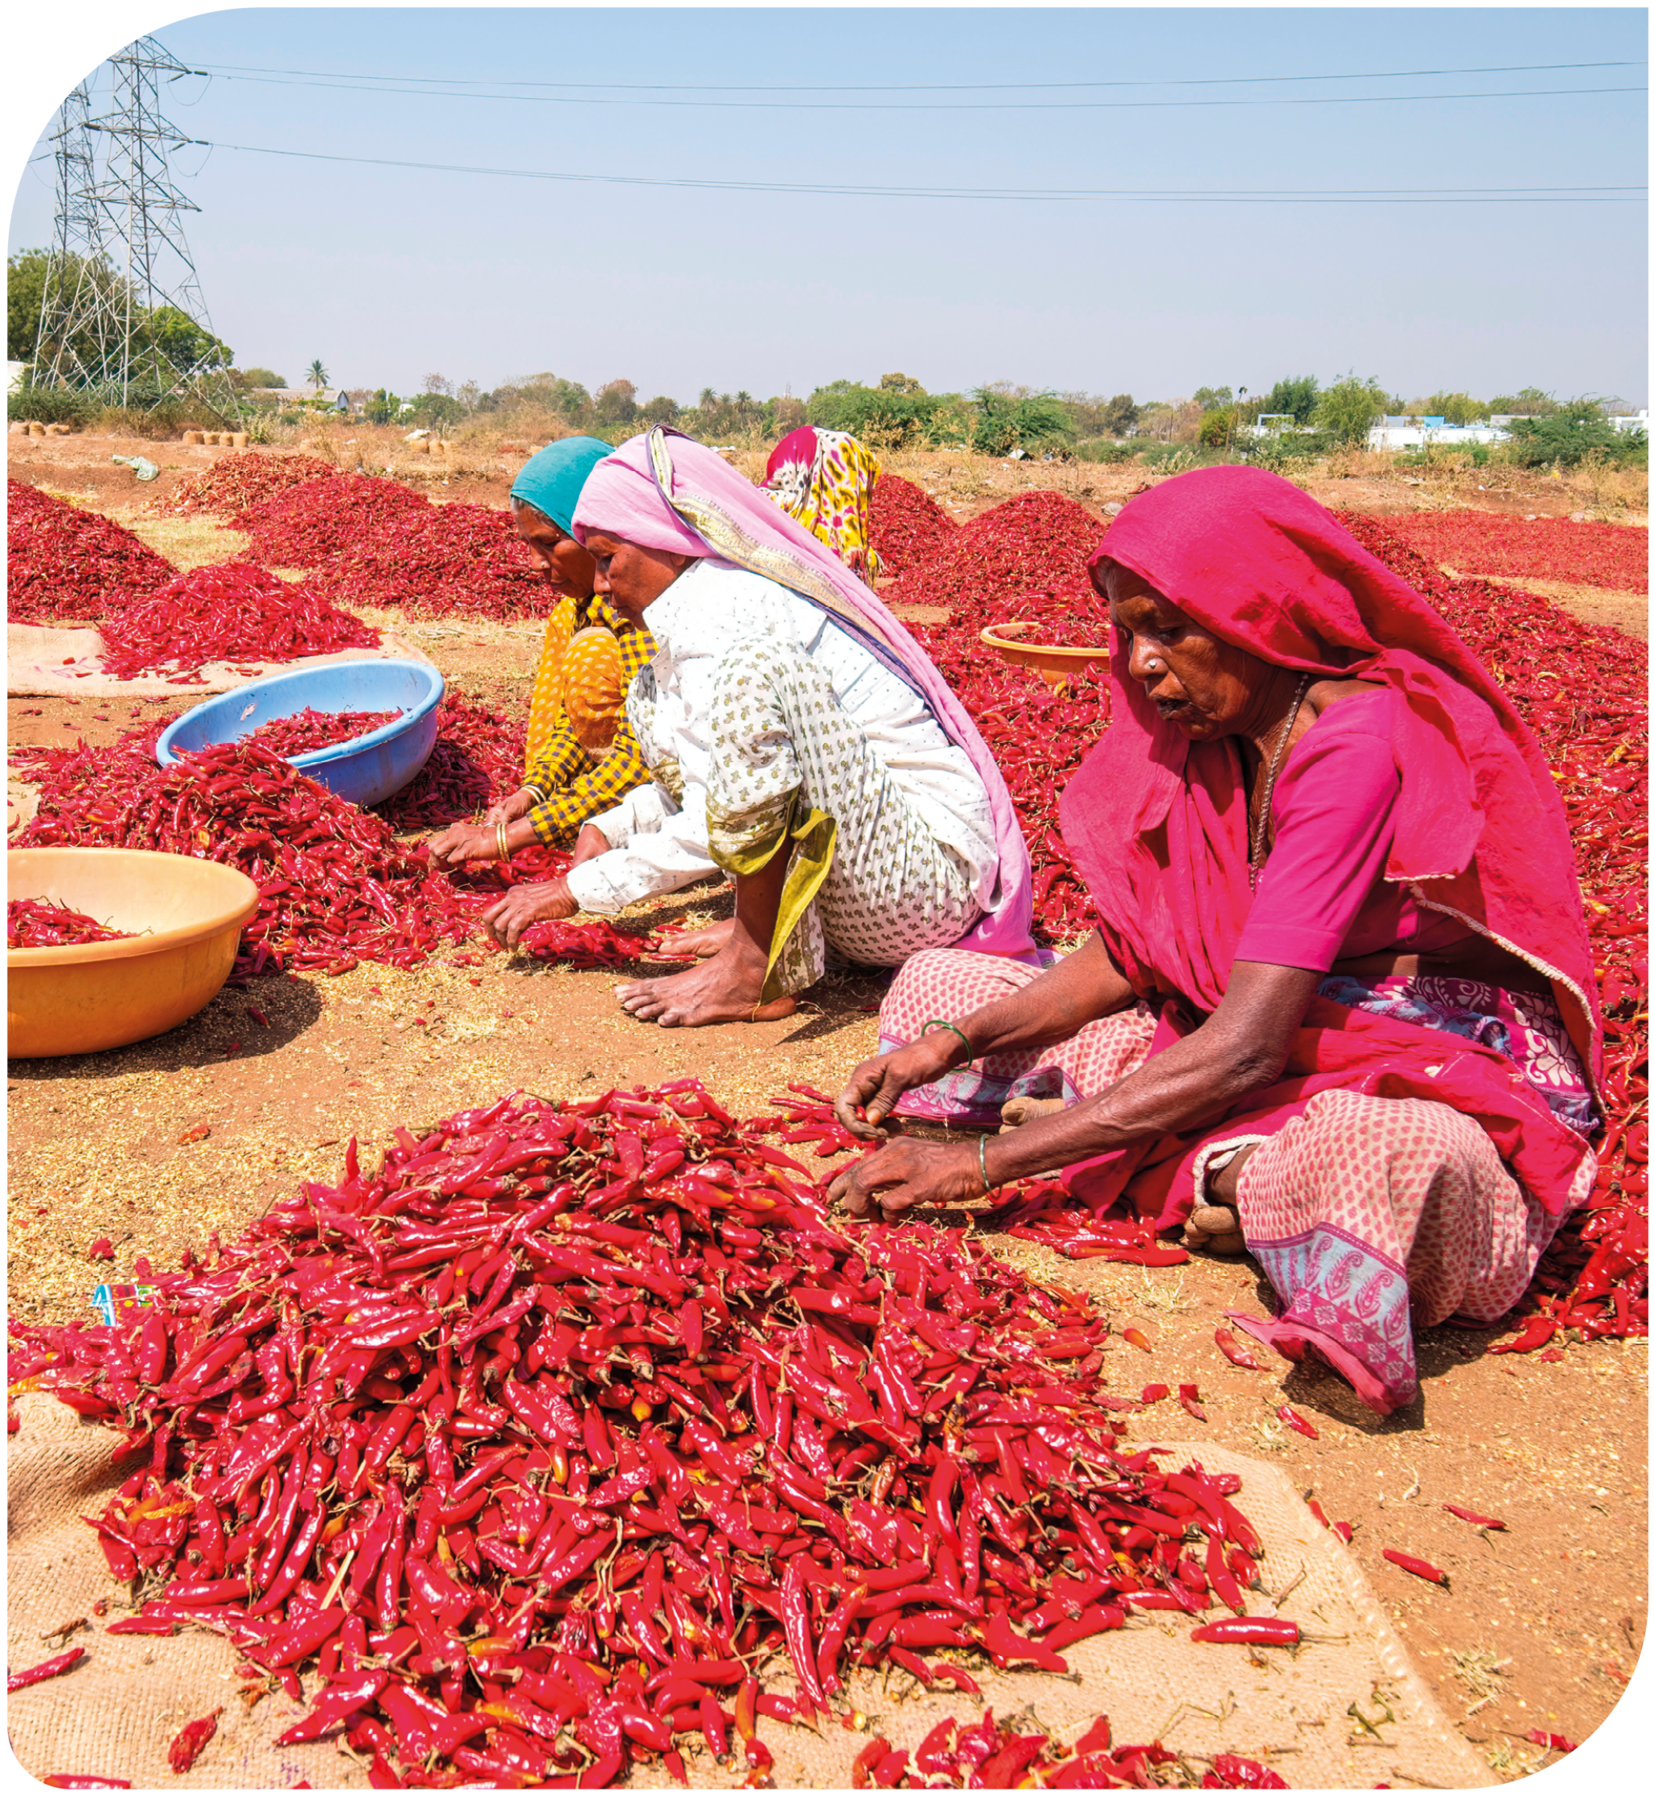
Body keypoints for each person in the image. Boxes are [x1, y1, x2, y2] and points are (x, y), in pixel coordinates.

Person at [830, 466, 1601, 1416]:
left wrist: (979, 1167)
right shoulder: (1208, 735)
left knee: (1388, 1158)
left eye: (1171, 628)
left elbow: (1244, 1048)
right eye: (1127, 632)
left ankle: (1234, 1168)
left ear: (1258, 616)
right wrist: (948, 1044)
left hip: (1402, 1056)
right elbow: (1133, 955)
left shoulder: (1350, 747)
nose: (1143, 663)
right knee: (932, 986)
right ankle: (1218, 1167)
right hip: (1243, 1024)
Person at [478, 426, 1035, 1026]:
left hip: (923, 887)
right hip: (862, 895)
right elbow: (705, 787)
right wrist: (612, 827)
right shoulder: (683, 619)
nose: (599, 583)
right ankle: (766, 931)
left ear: (662, 539)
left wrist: (580, 890)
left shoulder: (734, 612)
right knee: (645, 693)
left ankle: (754, 965)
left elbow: (724, 806)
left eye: (610, 559)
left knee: (756, 669)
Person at [427, 438, 655, 869]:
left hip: (673, 777)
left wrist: (506, 838)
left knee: (589, 653)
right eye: (529, 545)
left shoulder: (643, 610)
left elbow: (638, 756)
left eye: (551, 543)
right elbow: (577, 723)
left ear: (597, 531)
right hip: (625, 763)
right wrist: (534, 791)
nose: (535, 563)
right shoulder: (584, 606)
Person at [763, 425, 883, 583]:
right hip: (849, 561)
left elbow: (784, 495)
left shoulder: (792, 449)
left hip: (808, 568)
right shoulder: (853, 449)